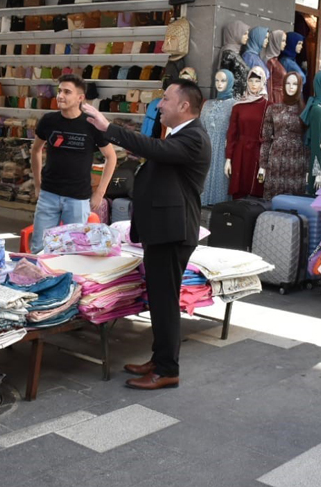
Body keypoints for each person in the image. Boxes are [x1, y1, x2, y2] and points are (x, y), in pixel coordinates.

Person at [85, 79, 212, 390]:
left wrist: (109, 127)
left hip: (173, 233)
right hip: (164, 231)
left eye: (166, 99)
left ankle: (167, 369)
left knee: (165, 301)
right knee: (159, 299)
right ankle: (160, 359)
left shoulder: (194, 137)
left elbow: (153, 148)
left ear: (184, 106)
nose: (160, 104)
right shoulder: (180, 134)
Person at [30, 74, 116, 253]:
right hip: (48, 195)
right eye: (59, 91)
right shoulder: (48, 120)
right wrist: (38, 185)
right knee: (39, 248)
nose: (60, 95)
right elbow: (36, 150)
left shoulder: (91, 124)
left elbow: (111, 157)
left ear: (80, 98)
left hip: (78, 199)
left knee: (73, 251)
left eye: (67, 92)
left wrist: (100, 192)